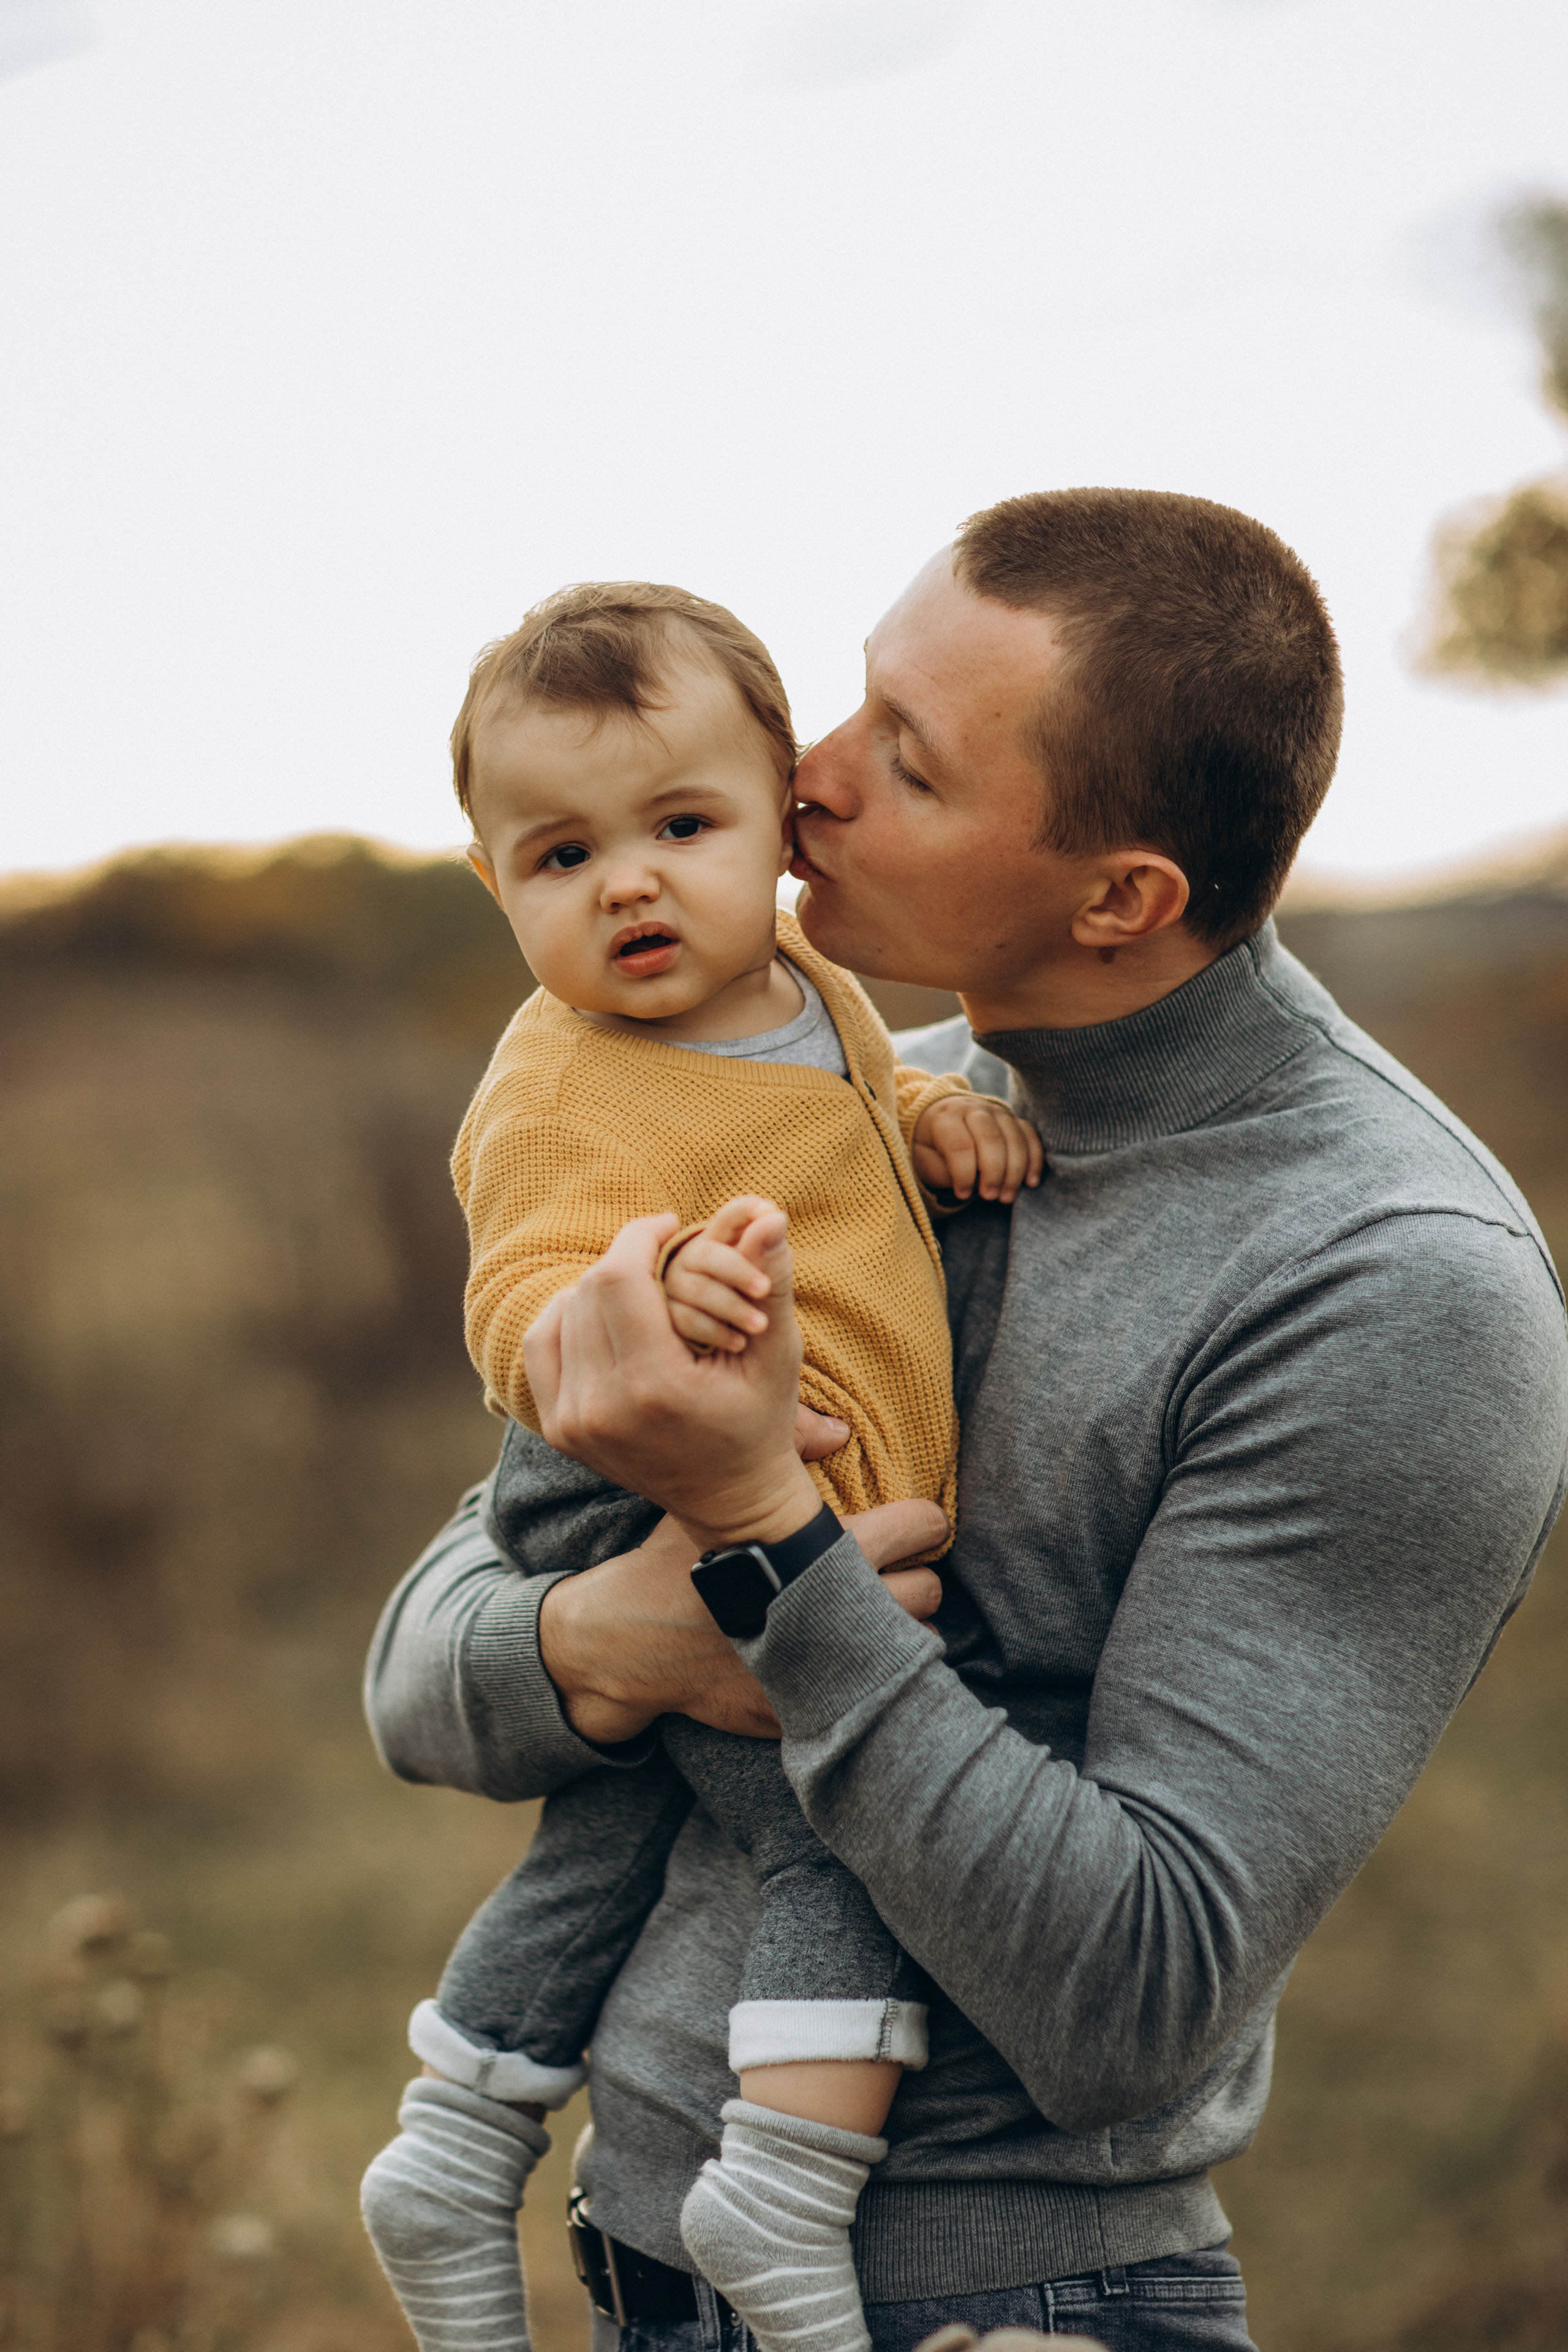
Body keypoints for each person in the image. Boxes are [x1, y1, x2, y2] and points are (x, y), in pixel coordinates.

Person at [366, 489, 1568, 2352]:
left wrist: (768, 1541)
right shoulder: (830, 1101)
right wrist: (607, 1639)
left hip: (999, 2306)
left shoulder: (1392, 1282)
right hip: (636, 2277)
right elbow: (417, 1679)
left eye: (903, 764)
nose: (808, 779)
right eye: (848, 705)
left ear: (1122, 897)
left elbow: (1133, 2000)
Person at [360, 579, 1043, 2352]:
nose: (631, 884)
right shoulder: (561, 1087)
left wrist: (931, 1112)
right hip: (629, 1480)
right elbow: (517, 1297)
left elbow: (849, 1108)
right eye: (560, 856)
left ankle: (454, 2143)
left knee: (612, 1828)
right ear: (496, 886)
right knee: (843, 1800)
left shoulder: (805, 985)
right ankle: (785, 2191)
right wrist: (640, 1306)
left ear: (777, 837)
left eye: (680, 826)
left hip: (760, 1481)